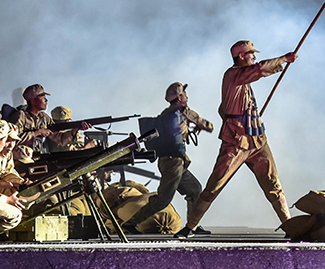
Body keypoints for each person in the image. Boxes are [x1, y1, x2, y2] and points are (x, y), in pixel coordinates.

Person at [176, 40, 297, 239]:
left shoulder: (243, 81)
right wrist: (283, 59)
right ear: (241, 56)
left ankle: (290, 227)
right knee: (215, 184)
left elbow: (223, 109)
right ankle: (190, 227)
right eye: (251, 54)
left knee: (273, 184)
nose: (254, 57)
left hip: (257, 141)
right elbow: (259, 69)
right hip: (236, 144)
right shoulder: (233, 75)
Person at [124, 82, 214, 233]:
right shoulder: (183, 110)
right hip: (173, 162)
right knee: (163, 199)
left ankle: (193, 226)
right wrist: (201, 124)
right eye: (184, 94)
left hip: (173, 161)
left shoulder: (167, 113)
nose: (187, 96)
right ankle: (130, 223)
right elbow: (207, 125)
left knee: (194, 190)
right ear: (179, 98)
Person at [10, 84, 89, 152]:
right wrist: (37, 133)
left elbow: (60, 139)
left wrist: (75, 129)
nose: (46, 100)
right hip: (23, 159)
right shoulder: (21, 116)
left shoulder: (44, 118)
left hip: (40, 157)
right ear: (33, 101)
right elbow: (12, 139)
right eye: (42, 97)